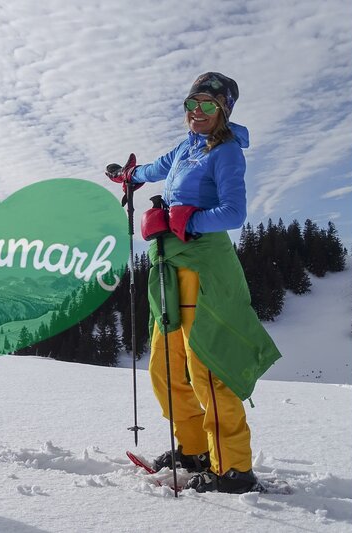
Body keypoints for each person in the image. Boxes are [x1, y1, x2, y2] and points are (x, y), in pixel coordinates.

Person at [108, 72, 281, 493]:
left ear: (223, 109)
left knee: (207, 367)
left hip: (205, 268)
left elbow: (233, 213)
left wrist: (184, 219)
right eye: (191, 104)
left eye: (207, 105)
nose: (197, 113)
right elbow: (154, 167)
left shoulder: (226, 153)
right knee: (165, 368)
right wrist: (131, 177)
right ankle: (194, 449)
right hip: (169, 267)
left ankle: (233, 469)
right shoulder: (187, 148)